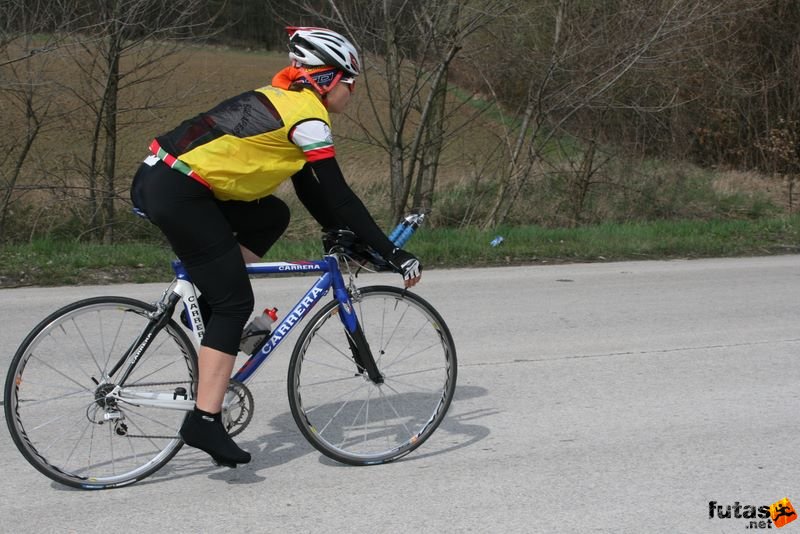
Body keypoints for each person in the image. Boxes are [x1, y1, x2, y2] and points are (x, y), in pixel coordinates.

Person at [130, 27, 421, 468]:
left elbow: (312, 193)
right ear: (326, 79)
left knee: (272, 215)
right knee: (235, 303)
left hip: (168, 181)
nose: (353, 91)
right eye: (349, 81)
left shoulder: (287, 102)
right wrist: (393, 252)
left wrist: (345, 236)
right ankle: (205, 421)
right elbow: (341, 195)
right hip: (178, 191)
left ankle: (213, 310)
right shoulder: (307, 117)